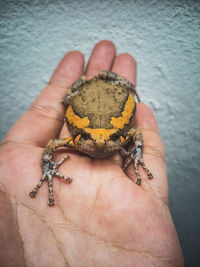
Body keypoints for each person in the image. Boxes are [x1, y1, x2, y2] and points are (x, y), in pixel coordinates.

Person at [0, 40, 184, 266]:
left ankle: (109, 87)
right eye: (88, 138)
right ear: (80, 137)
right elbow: (52, 144)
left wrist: (136, 154)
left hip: (111, 98)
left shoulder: (121, 135)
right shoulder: (75, 140)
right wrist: (47, 169)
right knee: (67, 98)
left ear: (119, 136)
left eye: (111, 138)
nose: (99, 143)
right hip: (87, 96)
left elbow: (135, 130)